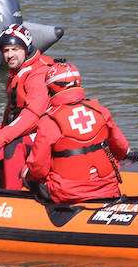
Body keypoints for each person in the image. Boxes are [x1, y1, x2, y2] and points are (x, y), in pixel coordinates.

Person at [25, 62, 128, 203]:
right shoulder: (101, 111)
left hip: (68, 194)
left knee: (26, 175)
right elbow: (122, 149)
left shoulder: (48, 121)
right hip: (107, 189)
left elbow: (38, 169)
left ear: (50, 89)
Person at [0, 24, 55, 190]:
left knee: (13, 148)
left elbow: (32, 116)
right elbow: (13, 115)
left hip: (45, 132)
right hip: (29, 131)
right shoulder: (17, 74)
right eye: (6, 50)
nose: (9, 55)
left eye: (15, 49)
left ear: (27, 48)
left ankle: (11, 198)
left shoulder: (37, 74)